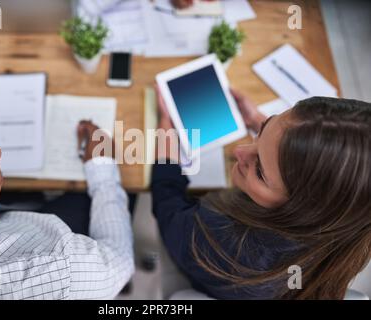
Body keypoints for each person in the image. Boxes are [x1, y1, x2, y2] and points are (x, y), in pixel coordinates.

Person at [151, 88, 371, 299]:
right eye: (263, 129)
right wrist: (261, 123)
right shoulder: (351, 223)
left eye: (260, 172)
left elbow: (168, 210)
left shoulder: (224, 243)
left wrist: (165, 156)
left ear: (300, 209)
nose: (240, 151)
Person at [0, 95, 134, 299]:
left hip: (7, 220)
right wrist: (104, 174)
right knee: (104, 199)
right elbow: (118, 262)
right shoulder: (58, 271)